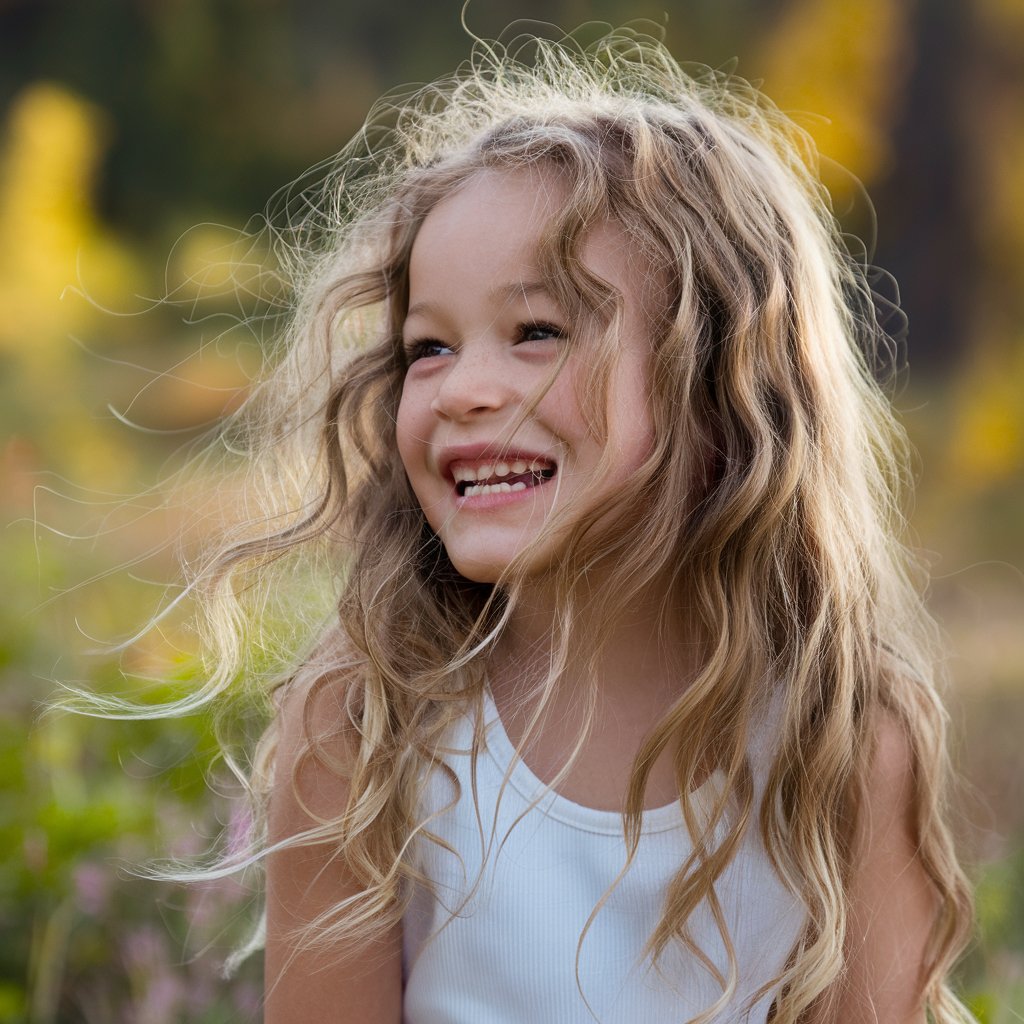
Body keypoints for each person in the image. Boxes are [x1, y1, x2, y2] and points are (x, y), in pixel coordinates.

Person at [146, 29, 975, 1024]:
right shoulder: (363, 729)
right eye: (428, 348)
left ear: (720, 389)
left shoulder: (844, 743)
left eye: (537, 330)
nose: (464, 390)